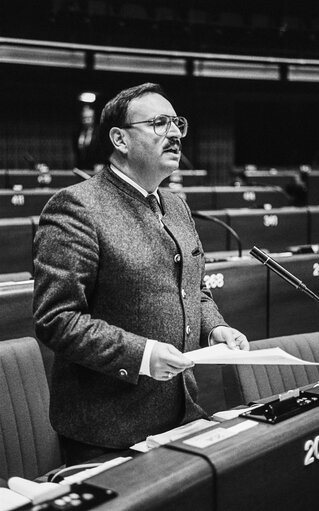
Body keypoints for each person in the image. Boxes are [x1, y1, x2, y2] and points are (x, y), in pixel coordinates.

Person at [33, 82, 249, 465]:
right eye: (159, 123)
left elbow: (193, 290)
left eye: (178, 123)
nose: (175, 133)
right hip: (110, 431)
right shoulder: (77, 207)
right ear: (119, 138)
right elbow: (57, 320)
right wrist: (143, 355)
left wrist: (215, 328)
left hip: (181, 413)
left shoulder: (176, 206)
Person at [72, 104, 102, 171]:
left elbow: (105, 150)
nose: (86, 120)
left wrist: (101, 164)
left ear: (93, 118)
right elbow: (76, 151)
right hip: (80, 168)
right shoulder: (77, 132)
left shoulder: (99, 132)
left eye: (89, 118)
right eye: (84, 118)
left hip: (96, 169)